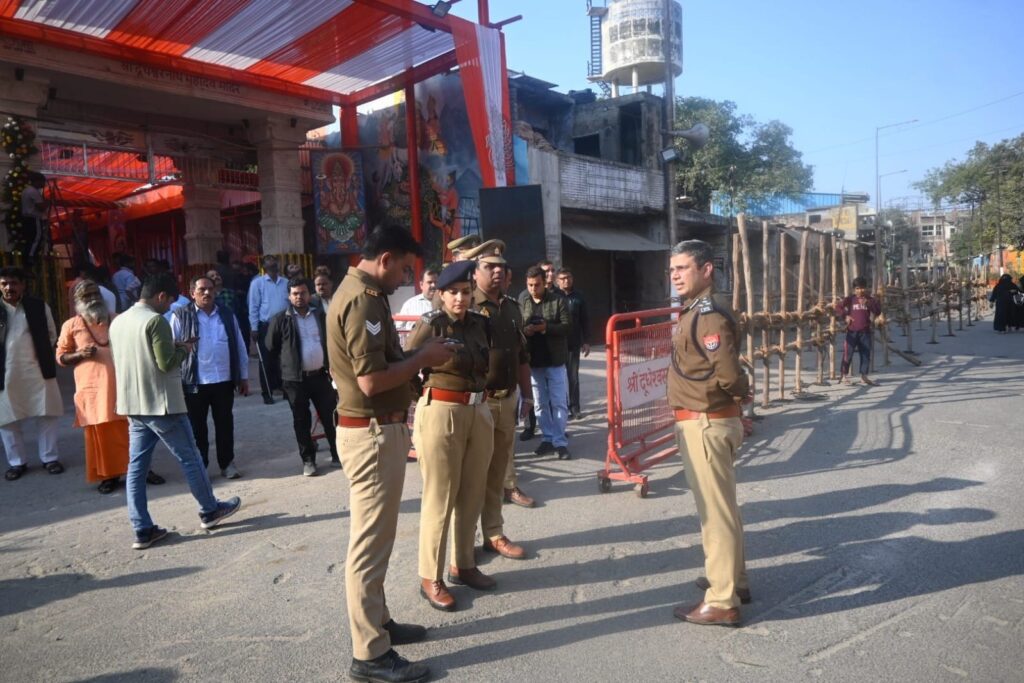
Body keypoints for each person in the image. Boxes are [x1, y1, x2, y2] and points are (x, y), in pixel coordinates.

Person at [327, 224, 456, 683]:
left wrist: (416, 353)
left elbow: (380, 363)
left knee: (377, 539)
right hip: (372, 433)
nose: (405, 278)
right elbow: (369, 381)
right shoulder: (363, 301)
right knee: (369, 546)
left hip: (376, 430)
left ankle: (379, 623)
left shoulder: (365, 293)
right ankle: (370, 655)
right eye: (403, 268)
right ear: (384, 259)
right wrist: (422, 360)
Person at [109, 272, 241, 550]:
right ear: (160, 296)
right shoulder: (155, 321)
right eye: (169, 301)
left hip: (133, 404)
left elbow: (135, 356)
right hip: (162, 404)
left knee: (136, 468)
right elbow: (166, 363)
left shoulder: (119, 321)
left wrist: (174, 347)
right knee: (191, 458)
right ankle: (210, 509)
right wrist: (185, 349)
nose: (170, 306)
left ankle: (142, 528)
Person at [667, 239, 751, 627]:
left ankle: (721, 599)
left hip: (705, 421)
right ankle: (734, 579)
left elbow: (729, 374)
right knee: (723, 508)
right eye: (672, 269)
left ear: (706, 270)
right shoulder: (698, 309)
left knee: (715, 514)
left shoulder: (708, 314)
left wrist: (738, 395)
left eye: (683, 268)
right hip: (709, 418)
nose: (675, 275)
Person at [407, 259, 496, 612]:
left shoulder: (480, 324)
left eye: (465, 292)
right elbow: (407, 365)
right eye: (453, 293)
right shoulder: (432, 325)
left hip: (478, 410)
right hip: (442, 411)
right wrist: (425, 400)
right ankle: (431, 575)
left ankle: (464, 564)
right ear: (440, 295)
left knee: (473, 492)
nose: (460, 298)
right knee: (440, 497)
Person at [462, 239, 537, 546]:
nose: (497, 272)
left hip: (507, 400)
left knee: (496, 474)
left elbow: (522, 356)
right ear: (474, 271)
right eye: (489, 266)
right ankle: (465, 543)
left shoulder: (511, 308)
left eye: (500, 267)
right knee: (472, 476)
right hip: (477, 402)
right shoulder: (465, 306)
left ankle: (494, 532)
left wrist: (527, 395)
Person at [57, 280, 164, 493]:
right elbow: (61, 357)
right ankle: (109, 476)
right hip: (92, 391)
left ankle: (143, 470)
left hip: (123, 387)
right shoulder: (71, 325)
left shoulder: (118, 320)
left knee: (134, 431)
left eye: (96, 294)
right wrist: (79, 354)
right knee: (101, 434)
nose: (93, 299)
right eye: (87, 296)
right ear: (78, 301)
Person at [172, 276, 249, 480]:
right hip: (194, 383)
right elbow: (172, 348)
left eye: (210, 289)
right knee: (197, 428)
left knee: (225, 424)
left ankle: (227, 463)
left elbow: (239, 345)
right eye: (202, 290)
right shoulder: (180, 316)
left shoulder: (226, 314)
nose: (207, 293)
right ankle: (201, 466)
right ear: (192, 293)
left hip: (223, 380)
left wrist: (243, 376)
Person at [266, 277, 340, 477]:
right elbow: (271, 348)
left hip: (321, 376)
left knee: (330, 416)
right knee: (301, 420)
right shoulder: (280, 319)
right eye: (295, 293)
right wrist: (283, 374)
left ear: (309, 294)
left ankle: (337, 455)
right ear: (289, 296)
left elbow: (330, 341)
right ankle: (308, 461)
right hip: (295, 381)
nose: (299, 297)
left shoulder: (320, 316)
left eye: (303, 293)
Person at [0, 267, 65, 480]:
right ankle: (17, 462)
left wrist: (41, 355)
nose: (9, 287)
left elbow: (52, 334)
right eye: (4, 283)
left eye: (14, 283)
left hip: (38, 370)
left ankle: (50, 458)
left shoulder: (38, 306)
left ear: (23, 285)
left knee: (47, 413)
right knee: (7, 419)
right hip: (5, 372)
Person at [520, 265, 572, 459]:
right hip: (534, 362)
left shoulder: (558, 300)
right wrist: (525, 330)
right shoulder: (523, 300)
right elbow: (518, 325)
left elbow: (567, 327)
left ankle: (560, 442)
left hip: (555, 360)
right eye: (530, 285)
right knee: (540, 404)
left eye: (537, 285)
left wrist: (545, 328)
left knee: (559, 403)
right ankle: (547, 438)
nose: (533, 289)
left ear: (544, 283)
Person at [248, 255, 290, 404]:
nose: (273, 267)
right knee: (266, 360)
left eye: (274, 264)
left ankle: (286, 389)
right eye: (269, 265)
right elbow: (253, 307)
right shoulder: (257, 283)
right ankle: (267, 392)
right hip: (266, 325)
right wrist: (254, 327)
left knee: (286, 358)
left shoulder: (286, 282)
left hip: (285, 324)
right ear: (264, 267)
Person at [556, 268, 591, 420]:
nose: (566, 281)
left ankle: (575, 408)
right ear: (557, 281)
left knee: (573, 377)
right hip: (557, 344)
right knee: (557, 378)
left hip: (573, 343)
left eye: (569, 277)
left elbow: (585, 319)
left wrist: (586, 341)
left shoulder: (579, 297)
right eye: (563, 278)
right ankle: (561, 408)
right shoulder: (553, 296)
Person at [835, 276, 882, 385]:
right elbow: (838, 307)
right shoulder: (850, 299)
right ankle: (844, 375)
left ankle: (864, 376)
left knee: (865, 354)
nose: (860, 291)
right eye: (857, 288)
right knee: (848, 353)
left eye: (862, 288)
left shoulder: (870, 300)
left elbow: (878, 311)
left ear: (866, 288)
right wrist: (845, 316)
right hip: (852, 331)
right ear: (854, 289)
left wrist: (867, 304)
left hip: (865, 332)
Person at [19, 172, 49, 265]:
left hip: (26, 219)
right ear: (37, 181)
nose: (43, 184)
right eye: (42, 182)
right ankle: (31, 256)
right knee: (36, 237)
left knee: (30, 238)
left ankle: (28, 256)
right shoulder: (34, 192)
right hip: (34, 218)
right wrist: (48, 202)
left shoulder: (26, 190)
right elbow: (41, 207)